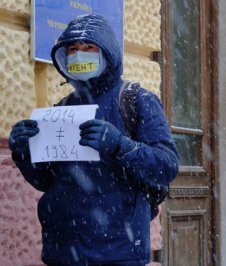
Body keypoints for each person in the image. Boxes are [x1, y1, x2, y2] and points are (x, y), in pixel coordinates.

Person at [8, 14, 179, 266]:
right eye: (73, 49)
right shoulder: (62, 108)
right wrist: (24, 153)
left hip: (118, 252)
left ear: (107, 52)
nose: (79, 54)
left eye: (89, 48)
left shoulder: (137, 100)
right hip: (62, 251)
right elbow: (46, 180)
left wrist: (121, 145)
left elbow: (166, 166)